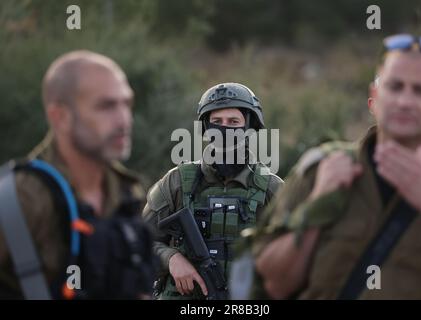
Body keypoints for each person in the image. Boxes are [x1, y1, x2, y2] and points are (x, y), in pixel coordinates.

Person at [253, 34, 421, 299]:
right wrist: (318, 206)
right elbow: (275, 285)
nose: (405, 101)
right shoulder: (321, 168)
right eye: (395, 87)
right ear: (375, 97)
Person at [0, 50, 156, 299]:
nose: (123, 120)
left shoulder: (127, 193)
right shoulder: (19, 198)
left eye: (126, 104)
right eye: (106, 106)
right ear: (60, 117)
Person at [143, 82, 283, 299]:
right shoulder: (177, 181)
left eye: (233, 122)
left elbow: (297, 254)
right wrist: (171, 258)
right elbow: (139, 240)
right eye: (217, 122)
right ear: (207, 128)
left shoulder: (271, 188)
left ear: (249, 127)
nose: (224, 129)